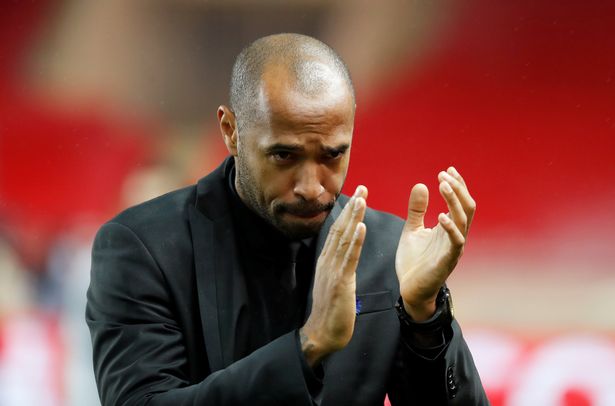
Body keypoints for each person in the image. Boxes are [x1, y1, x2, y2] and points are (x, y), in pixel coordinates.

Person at [86, 33, 488, 405]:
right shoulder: (142, 247)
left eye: (332, 155)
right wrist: (309, 346)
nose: (311, 187)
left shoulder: (388, 251)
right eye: (284, 155)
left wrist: (424, 316)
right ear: (231, 131)